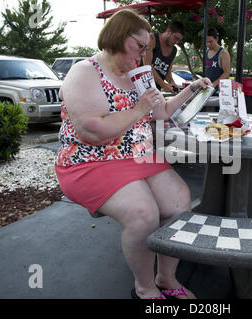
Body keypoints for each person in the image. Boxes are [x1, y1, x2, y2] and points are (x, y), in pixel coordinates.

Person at [54, 9, 211, 300]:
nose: (143, 55)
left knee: (179, 204)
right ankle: (144, 286)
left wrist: (190, 90)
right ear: (119, 37)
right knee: (143, 214)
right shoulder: (85, 72)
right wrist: (138, 109)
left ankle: (166, 277)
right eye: (140, 47)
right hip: (90, 161)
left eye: (146, 49)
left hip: (137, 157)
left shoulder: (138, 74)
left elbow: (161, 111)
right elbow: (93, 131)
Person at [143, 21, 185, 93]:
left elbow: (167, 71)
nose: (176, 42)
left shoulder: (174, 50)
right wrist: (163, 85)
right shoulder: (152, 39)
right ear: (169, 31)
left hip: (155, 91)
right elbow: (147, 66)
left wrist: (171, 82)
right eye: (175, 38)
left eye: (179, 40)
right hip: (141, 87)